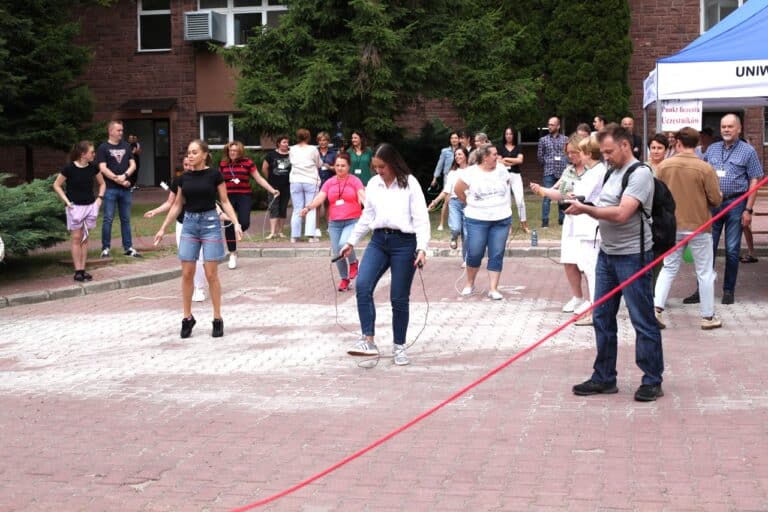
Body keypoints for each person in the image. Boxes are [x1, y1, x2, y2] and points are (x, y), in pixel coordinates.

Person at [564, 124, 664, 402]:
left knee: (642, 319)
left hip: (633, 256)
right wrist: (582, 201)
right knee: (602, 317)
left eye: (609, 151)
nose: (605, 156)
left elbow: (622, 213)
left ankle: (652, 379)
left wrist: (586, 210)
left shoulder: (640, 173)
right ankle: (604, 377)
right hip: (607, 255)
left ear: (625, 145)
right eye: (603, 152)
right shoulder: (612, 170)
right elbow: (604, 201)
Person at [340, 143, 430, 366]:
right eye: (375, 167)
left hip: (405, 243)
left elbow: (421, 218)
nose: (378, 170)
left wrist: (422, 248)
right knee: (363, 285)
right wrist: (351, 241)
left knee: (398, 297)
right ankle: (368, 342)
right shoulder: (373, 184)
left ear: (392, 163)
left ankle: (399, 346)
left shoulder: (410, 183)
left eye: (382, 166)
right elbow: (367, 216)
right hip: (379, 241)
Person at [154, 140, 242, 339]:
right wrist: (162, 228)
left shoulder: (214, 175)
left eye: (194, 152)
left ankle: (217, 318)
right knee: (187, 273)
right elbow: (177, 206)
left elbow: (225, 201)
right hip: (190, 225)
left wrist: (235, 222)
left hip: (211, 224)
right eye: (188, 152)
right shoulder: (183, 178)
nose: (190, 156)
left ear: (204, 155)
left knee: (211, 274)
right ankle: (187, 317)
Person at [683, 113, 764, 305]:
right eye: (723, 127)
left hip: (736, 204)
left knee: (732, 250)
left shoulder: (748, 151)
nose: (726, 130)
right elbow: (702, 173)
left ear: (739, 129)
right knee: (706, 249)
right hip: (712, 205)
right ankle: (702, 290)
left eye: (730, 126)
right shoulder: (712, 149)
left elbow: (755, 179)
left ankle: (728, 290)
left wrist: (749, 210)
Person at [653, 127, 723, 330]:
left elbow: (657, 195)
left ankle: (656, 308)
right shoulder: (705, 168)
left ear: (677, 143)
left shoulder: (664, 166)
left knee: (669, 268)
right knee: (704, 272)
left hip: (672, 225)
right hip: (699, 225)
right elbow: (716, 199)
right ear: (698, 144)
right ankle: (708, 317)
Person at [530, 134, 604, 314]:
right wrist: (543, 191)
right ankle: (580, 298)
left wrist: (570, 196)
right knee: (573, 260)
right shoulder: (569, 171)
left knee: (589, 264)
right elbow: (563, 194)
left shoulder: (596, 170)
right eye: (568, 153)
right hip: (573, 220)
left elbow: (580, 194)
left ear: (585, 152)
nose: (570, 156)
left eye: (574, 152)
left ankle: (595, 301)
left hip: (588, 221)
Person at [453, 143, 512, 300]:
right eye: (494, 154)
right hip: (477, 219)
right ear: (485, 158)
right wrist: (468, 202)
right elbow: (458, 190)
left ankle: (493, 288)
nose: (497, 157)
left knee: (497, 253)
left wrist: (508, 213)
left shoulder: (502, 170)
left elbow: (507, 191)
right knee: (475, 252)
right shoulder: (470, 172)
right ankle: (469, 283)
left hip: (501, 219)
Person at [145, 157, 207, 302]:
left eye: (191, 163)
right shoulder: (179, 181)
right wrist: (155, 211)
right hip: (183, 223)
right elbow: (170, 203)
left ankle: (199, 288)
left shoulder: (206, 178)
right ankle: (191, 286)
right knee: (187, 258)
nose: (188, 166)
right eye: (185, 164)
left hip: (201, 223)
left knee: (199, 258)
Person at [300, 152, 365, 291]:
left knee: (344, 244)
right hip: (334, 222)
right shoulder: (329, 182)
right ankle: (344, 279)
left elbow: (362, 195)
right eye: (337, 165)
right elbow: (320, 197)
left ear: (349, 167)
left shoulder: (355, 180)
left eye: (343, 165)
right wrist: (308, 207)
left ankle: (353, 263)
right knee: (337, 253)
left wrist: (368, 207)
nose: (340, 168)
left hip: (352, 220)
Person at [220, 140, 279, 269]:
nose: (232, 153)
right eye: (230, 151)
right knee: (229, 224)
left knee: (244, 222)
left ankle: (238, 231)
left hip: (243, 195)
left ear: (240, 152)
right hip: (228, 197)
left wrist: (271, 190)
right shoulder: (223, 164)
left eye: (235, 151)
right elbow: (217, 181)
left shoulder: (247, 163)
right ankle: (232, 253)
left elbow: (259, 178)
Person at [53, 141, 106, 282]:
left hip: (90, 206)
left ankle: (83, 269)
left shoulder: (93, 167)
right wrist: (66, 200)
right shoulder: (69, 169)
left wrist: (100, 198)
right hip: (75, 207)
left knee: (85, 238)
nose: (94, 154)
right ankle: (78, 271)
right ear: (83, 154)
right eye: (92, 152)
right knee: (77, 238)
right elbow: (57, 185)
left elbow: (102, 183)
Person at [97, 120, 140, 258]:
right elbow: (102, 168)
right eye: (118, 130)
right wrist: (119, 180)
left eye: (122, 130)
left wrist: (125, 176)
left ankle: (128, 247)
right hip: (110, 189)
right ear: (110, 131)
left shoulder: (126, 146)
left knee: (126, 219)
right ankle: (105, 248)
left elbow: (133, 165)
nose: (121, 133)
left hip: (125, 190)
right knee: (108, 219)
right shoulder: (103, 148)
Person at [428, 147, 469, 262]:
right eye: (456, 155)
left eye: (460, 154)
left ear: (465, 155)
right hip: (455, 203)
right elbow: (446, 191)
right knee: (456, 228)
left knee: (467, 234)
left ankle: (466, 260)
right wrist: (435, 202)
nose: (457, 157)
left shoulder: (472, 171)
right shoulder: (452, 173)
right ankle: (454, 237)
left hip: (468, 204)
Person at [289, 128, 322, 243]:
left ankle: (294, 236)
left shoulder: (292, 149)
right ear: (308, 137)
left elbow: (291, 161)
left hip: (295, 180)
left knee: (297, 208)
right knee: (311, 207)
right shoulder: (313, 149)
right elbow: (319, 163)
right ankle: (310, 235)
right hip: (310, 180)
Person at [537, 117, 568, 228]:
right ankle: (545, 222)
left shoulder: (565, 140)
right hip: (549, 172)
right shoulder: (543, 140)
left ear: (558, 126)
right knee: (547, 196)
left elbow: (568, 155)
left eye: (552, 124)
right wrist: (548, 162)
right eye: (549, 124)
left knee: (562, 196)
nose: (550, 126)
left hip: (562, 172)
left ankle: (562, 220)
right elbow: (540, 157)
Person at [498, 126, 530, 234]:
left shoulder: (518, 147)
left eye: (510, 134)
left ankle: (524, 224)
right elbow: (499, 161)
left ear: (514, 135)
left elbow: (520, 160)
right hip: (504, 176)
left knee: (520, 200)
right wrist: (512, 161)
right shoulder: (500, 147)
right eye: (506, 134)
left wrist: (506, 159)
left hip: (516, 175)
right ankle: (509, 225)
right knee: (507, 201)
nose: (508, 136)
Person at [261, 135, 292, 239]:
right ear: (278, 143)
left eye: (287, 142)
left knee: (283, 208)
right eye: (284, 142)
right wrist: (269, 180)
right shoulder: (271, 155)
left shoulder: (291, 155)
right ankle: (272, 232)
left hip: (287, 185)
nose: (286, 144)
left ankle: (281, 231)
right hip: (273, 186)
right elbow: (264, 168)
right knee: (273, 208)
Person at [430, 131, 460, 231]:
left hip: (459, 176)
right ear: (450, 140)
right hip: (448, 177)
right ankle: (441, 223)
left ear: (459, 139)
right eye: (452, 138)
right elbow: (440, 165)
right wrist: (435, 177)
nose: (454, 140)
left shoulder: (461, 150)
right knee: (447, 200)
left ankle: (456, 221)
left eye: (456, 138)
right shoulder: (445, 151)